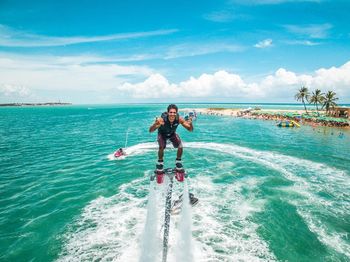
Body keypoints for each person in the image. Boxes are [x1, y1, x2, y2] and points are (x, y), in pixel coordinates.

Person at [149, 104, 193, 182]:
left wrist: (190, 123)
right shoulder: (161, 120)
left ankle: (178, 162)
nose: (172, 114)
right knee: (161, 147)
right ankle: (160, 163)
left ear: (176, 113)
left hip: (172, 134)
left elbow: (190, 130)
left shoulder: (179, 119)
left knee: (180, 146)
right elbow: (151, 130)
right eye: (171, 112)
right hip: (162, 134)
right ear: (168, 112)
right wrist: (155, 124)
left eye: (174, 112)